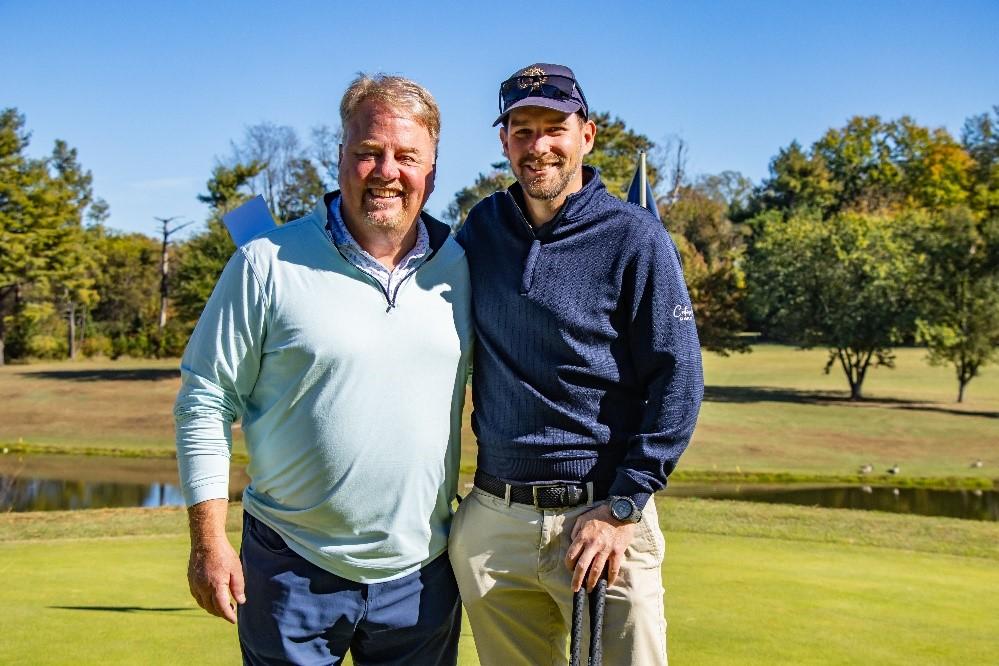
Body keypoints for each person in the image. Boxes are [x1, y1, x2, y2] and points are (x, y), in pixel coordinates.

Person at [174, 73, 472, 665]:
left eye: (407, 156)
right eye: (368, 153)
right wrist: (208, 542)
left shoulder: (465, 264)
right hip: (291, 569)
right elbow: (205, 400)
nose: (387, 171)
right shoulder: (265, 263)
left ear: (432, 170)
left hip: (424, 578)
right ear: (340, 159)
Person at [448, 63, 703, 665]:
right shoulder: (481, 228)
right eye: (521, 129)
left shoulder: (635, 237)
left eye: (553, 127)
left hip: (602, 523)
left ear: (586, 135)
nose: (538, 145)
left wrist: (623, 507)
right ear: (504, 141)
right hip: (495, 524)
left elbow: (679, 379)